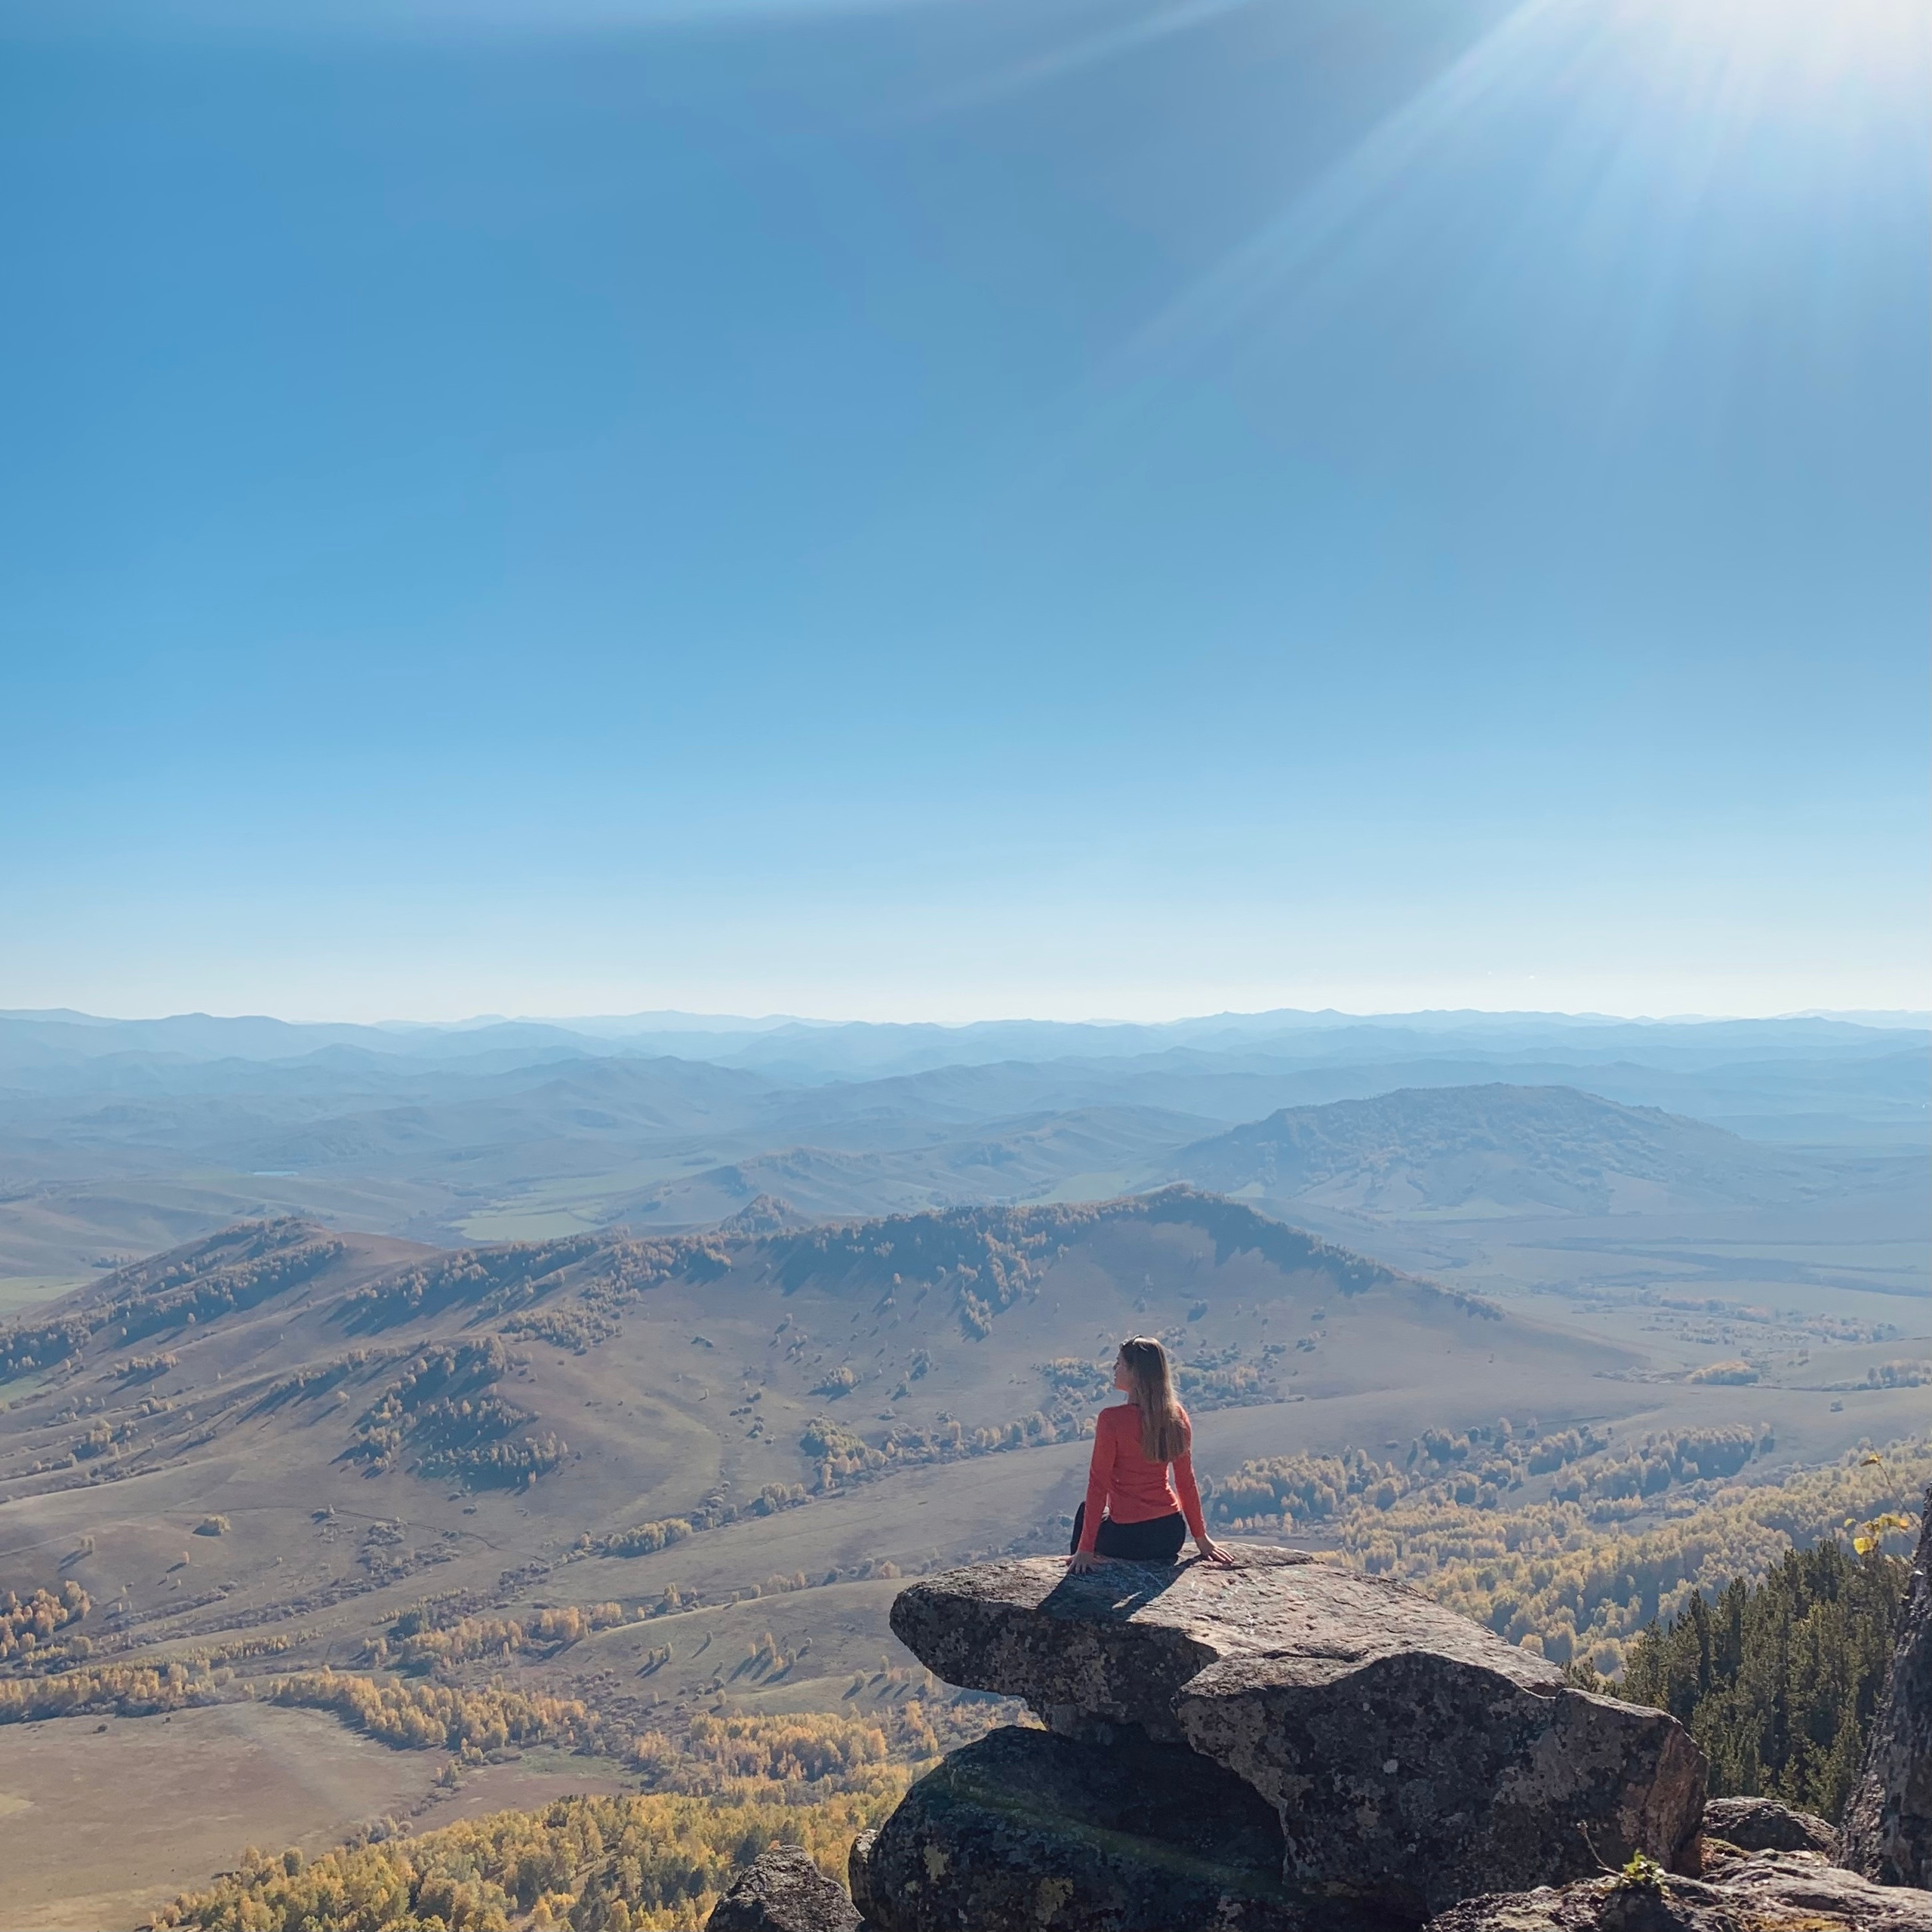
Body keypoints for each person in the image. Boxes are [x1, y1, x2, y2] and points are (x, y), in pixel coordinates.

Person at [1067, 1336, 1234, 1571]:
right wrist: (1202, 1539)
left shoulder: (1111, 1420)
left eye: (1120, 1364)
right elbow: (1186, 1482)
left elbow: (1098, 1484)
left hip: (1129, 1536)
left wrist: (1085, 1550)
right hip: (1170, 1534)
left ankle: (1078, 1581)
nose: (1114, 1369)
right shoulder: (1175, 1416)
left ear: (1136, 1373)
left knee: (1085, 1511)